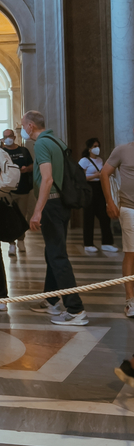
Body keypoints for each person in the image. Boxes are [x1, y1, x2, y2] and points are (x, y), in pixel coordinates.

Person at [23, 111, 89, 325]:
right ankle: (52, 301)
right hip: (61, 203)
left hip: (51, 204)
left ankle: (75, 310)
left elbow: (48, 179)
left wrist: (37, 210)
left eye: (23, 125)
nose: (22, 129)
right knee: (53, 251)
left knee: (57, 255)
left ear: (31, 126)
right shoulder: (56, 140)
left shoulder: (41, 144)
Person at [101, 135, 134, 319]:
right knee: (131, 252)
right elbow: (105, 173)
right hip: (129, 208)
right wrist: (110, 202)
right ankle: (130, 299)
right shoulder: (122, 150)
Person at [79, 138, 117, 254]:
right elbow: (79, 178)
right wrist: (95, 175)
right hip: (89, 189)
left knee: (104, 216)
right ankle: (88, 243)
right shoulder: (84, 161)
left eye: (98, 146)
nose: (97, 148)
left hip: (100, 189)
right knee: (89, 217)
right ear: (89, 148)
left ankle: (107, 243)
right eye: (95, 146)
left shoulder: (100, 160)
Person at [0, 128, 34, 256]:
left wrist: (27, 169)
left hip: (23, 189)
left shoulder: (23, 151)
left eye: (9, 136)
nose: (7, 138)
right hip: (8, 191)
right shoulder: (2, 152)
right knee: (10, 217)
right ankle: (11, 244)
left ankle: (21, 240)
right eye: (5, 136)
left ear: (14, 137)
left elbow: (32, 165)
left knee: (22, 217)